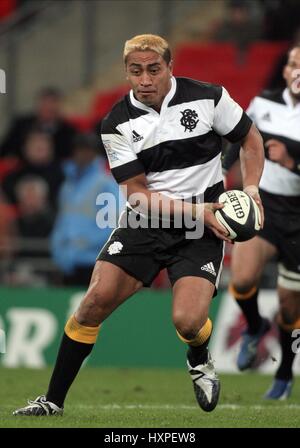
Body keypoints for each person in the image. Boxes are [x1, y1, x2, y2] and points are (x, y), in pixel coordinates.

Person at [13, 34, 264, 416]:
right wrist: (199, 211)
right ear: (126, 72)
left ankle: (198, 358)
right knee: (92, 304)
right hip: (148, 222)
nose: (145, 79)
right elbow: (136, 195)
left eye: (153, 70)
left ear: (169, 67)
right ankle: (52, 402)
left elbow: (249, 138)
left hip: (200, 231)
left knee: (188, 321)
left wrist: (251, 189)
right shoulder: (116, 122)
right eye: (136, 71)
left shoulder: (209, 97)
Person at [223, 44, 300, 399]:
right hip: (265, 203)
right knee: (242, 279)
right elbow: (241, 137)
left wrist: (292, 162)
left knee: (290, 307)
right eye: (294, 64)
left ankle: (284, 372)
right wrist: (223, 169)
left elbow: (286, 157)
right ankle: (254, 326)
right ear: (285, 70)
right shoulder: (264, 102)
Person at [51, 133, 119, 287]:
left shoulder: (105, 183)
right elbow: (62, 220)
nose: (83, 154)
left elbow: (112, 223)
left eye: (87, 150)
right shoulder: (68, 185)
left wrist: (84, 244)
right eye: (79, 150)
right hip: (68, 261)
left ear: (95, 153)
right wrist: (58, 249)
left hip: (93, 260)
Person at [0, 87, 77, 160]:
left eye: (52, 103)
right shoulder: (21, 125)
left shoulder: (68, 131)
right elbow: (6, 148)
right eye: (45, 103)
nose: (48, 107)